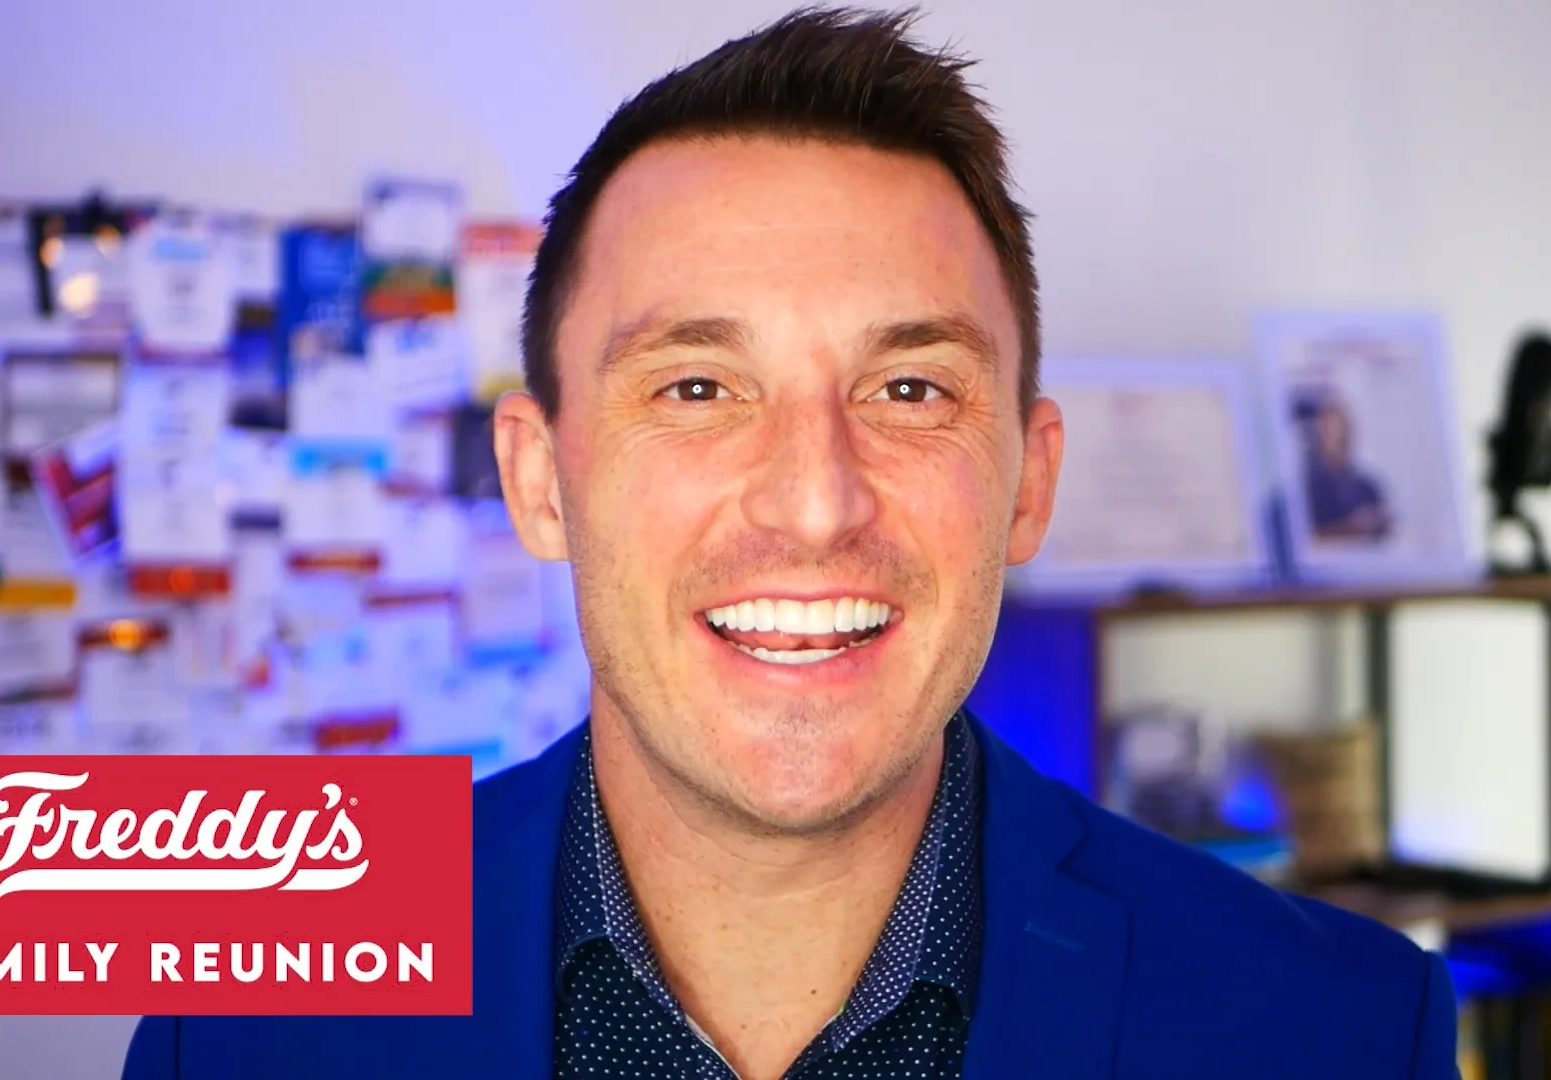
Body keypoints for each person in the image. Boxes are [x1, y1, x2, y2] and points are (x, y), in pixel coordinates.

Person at [124, 8, 1458, 1078]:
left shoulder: (1334, 1030)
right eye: (699, 388)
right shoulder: (239, 1014)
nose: (815, 504)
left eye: (910, 390)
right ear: (538, 481)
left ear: (1028, 483)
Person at [1302, 393, 1394, 542]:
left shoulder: (1367, 487)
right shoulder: (1308, 489)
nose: (1339, 439)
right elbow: (1307, 539)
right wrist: (1350, 528)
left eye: (1344, 430)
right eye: (1331, 432)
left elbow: (1385, 531)